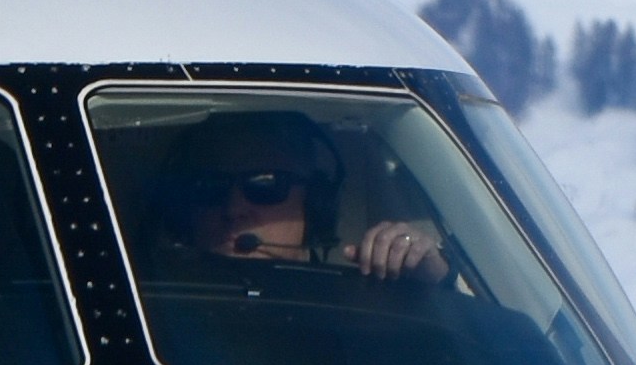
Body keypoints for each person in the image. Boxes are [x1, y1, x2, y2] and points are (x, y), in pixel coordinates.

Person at [177, 115, 443, 282]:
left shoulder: (362, 305)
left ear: (315, 204)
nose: (233, 209)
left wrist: (434, 280)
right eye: (211, 187)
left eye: (265, 185)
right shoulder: (153, 304)